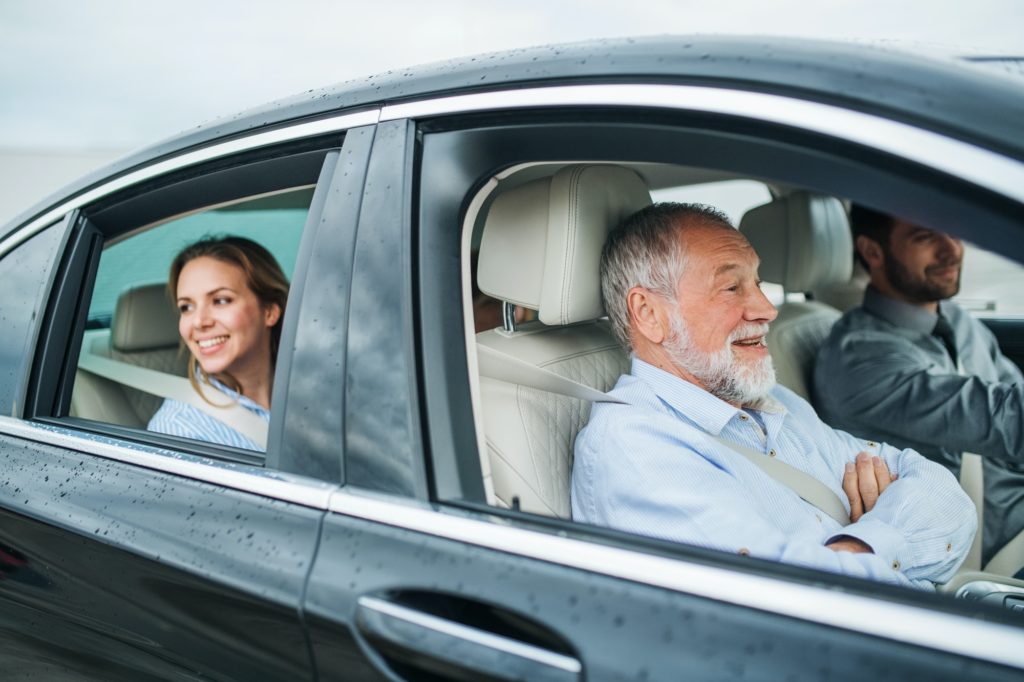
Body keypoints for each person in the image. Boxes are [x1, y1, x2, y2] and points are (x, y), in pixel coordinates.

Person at [571, 202, 974, 590]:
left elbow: (944, 494)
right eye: (731, 287)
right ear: (649, 314)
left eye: (758, 284)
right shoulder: (639, 450)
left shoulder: (775, 403)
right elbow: (801, 603)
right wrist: (873, 539)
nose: (766, 308)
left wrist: (853, 550)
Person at [814, 205, 1024, 572]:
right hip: (994, 554)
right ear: (873, 252)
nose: (951, 250)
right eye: (926, 236)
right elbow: (1005, 419)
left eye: (954, 231)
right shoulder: (860, 360)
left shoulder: (955, 320)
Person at [148, 236, 288, 451]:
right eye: (186, 307)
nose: (199, 322)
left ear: (269, 311)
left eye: (220, 301)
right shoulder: (179, 431)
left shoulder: (322, 388)